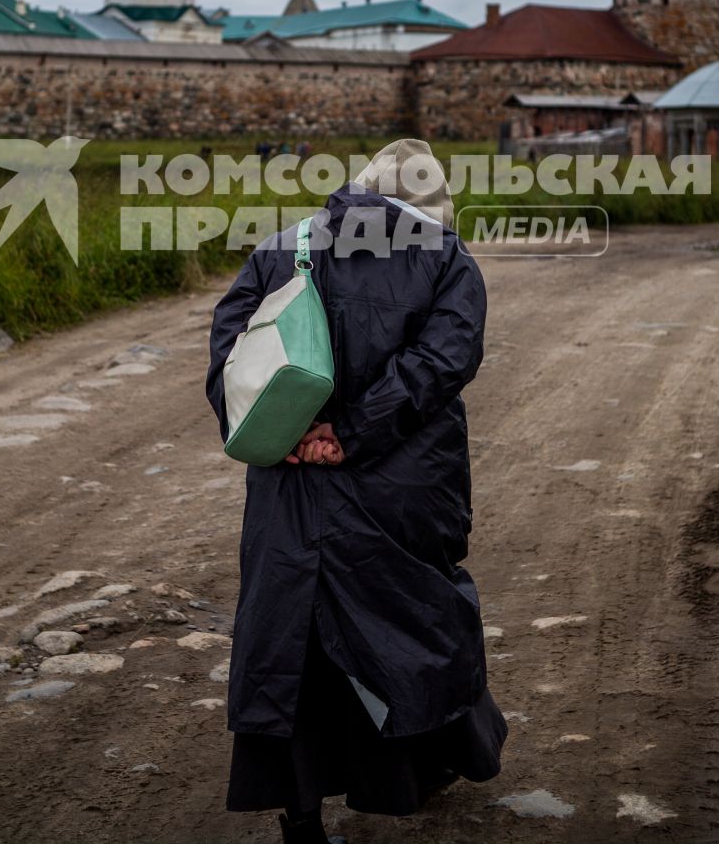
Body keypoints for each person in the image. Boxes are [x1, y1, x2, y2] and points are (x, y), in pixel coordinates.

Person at [206, 139, 505, 843]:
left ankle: (301, 820)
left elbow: (229, 354)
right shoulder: (449, 258)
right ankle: (422, 770)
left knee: (294, 646)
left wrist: (290, 432)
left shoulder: (281, 248)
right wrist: (352, 434)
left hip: (291, 491)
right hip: (400, 491)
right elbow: (444, 360)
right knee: (415, 624)